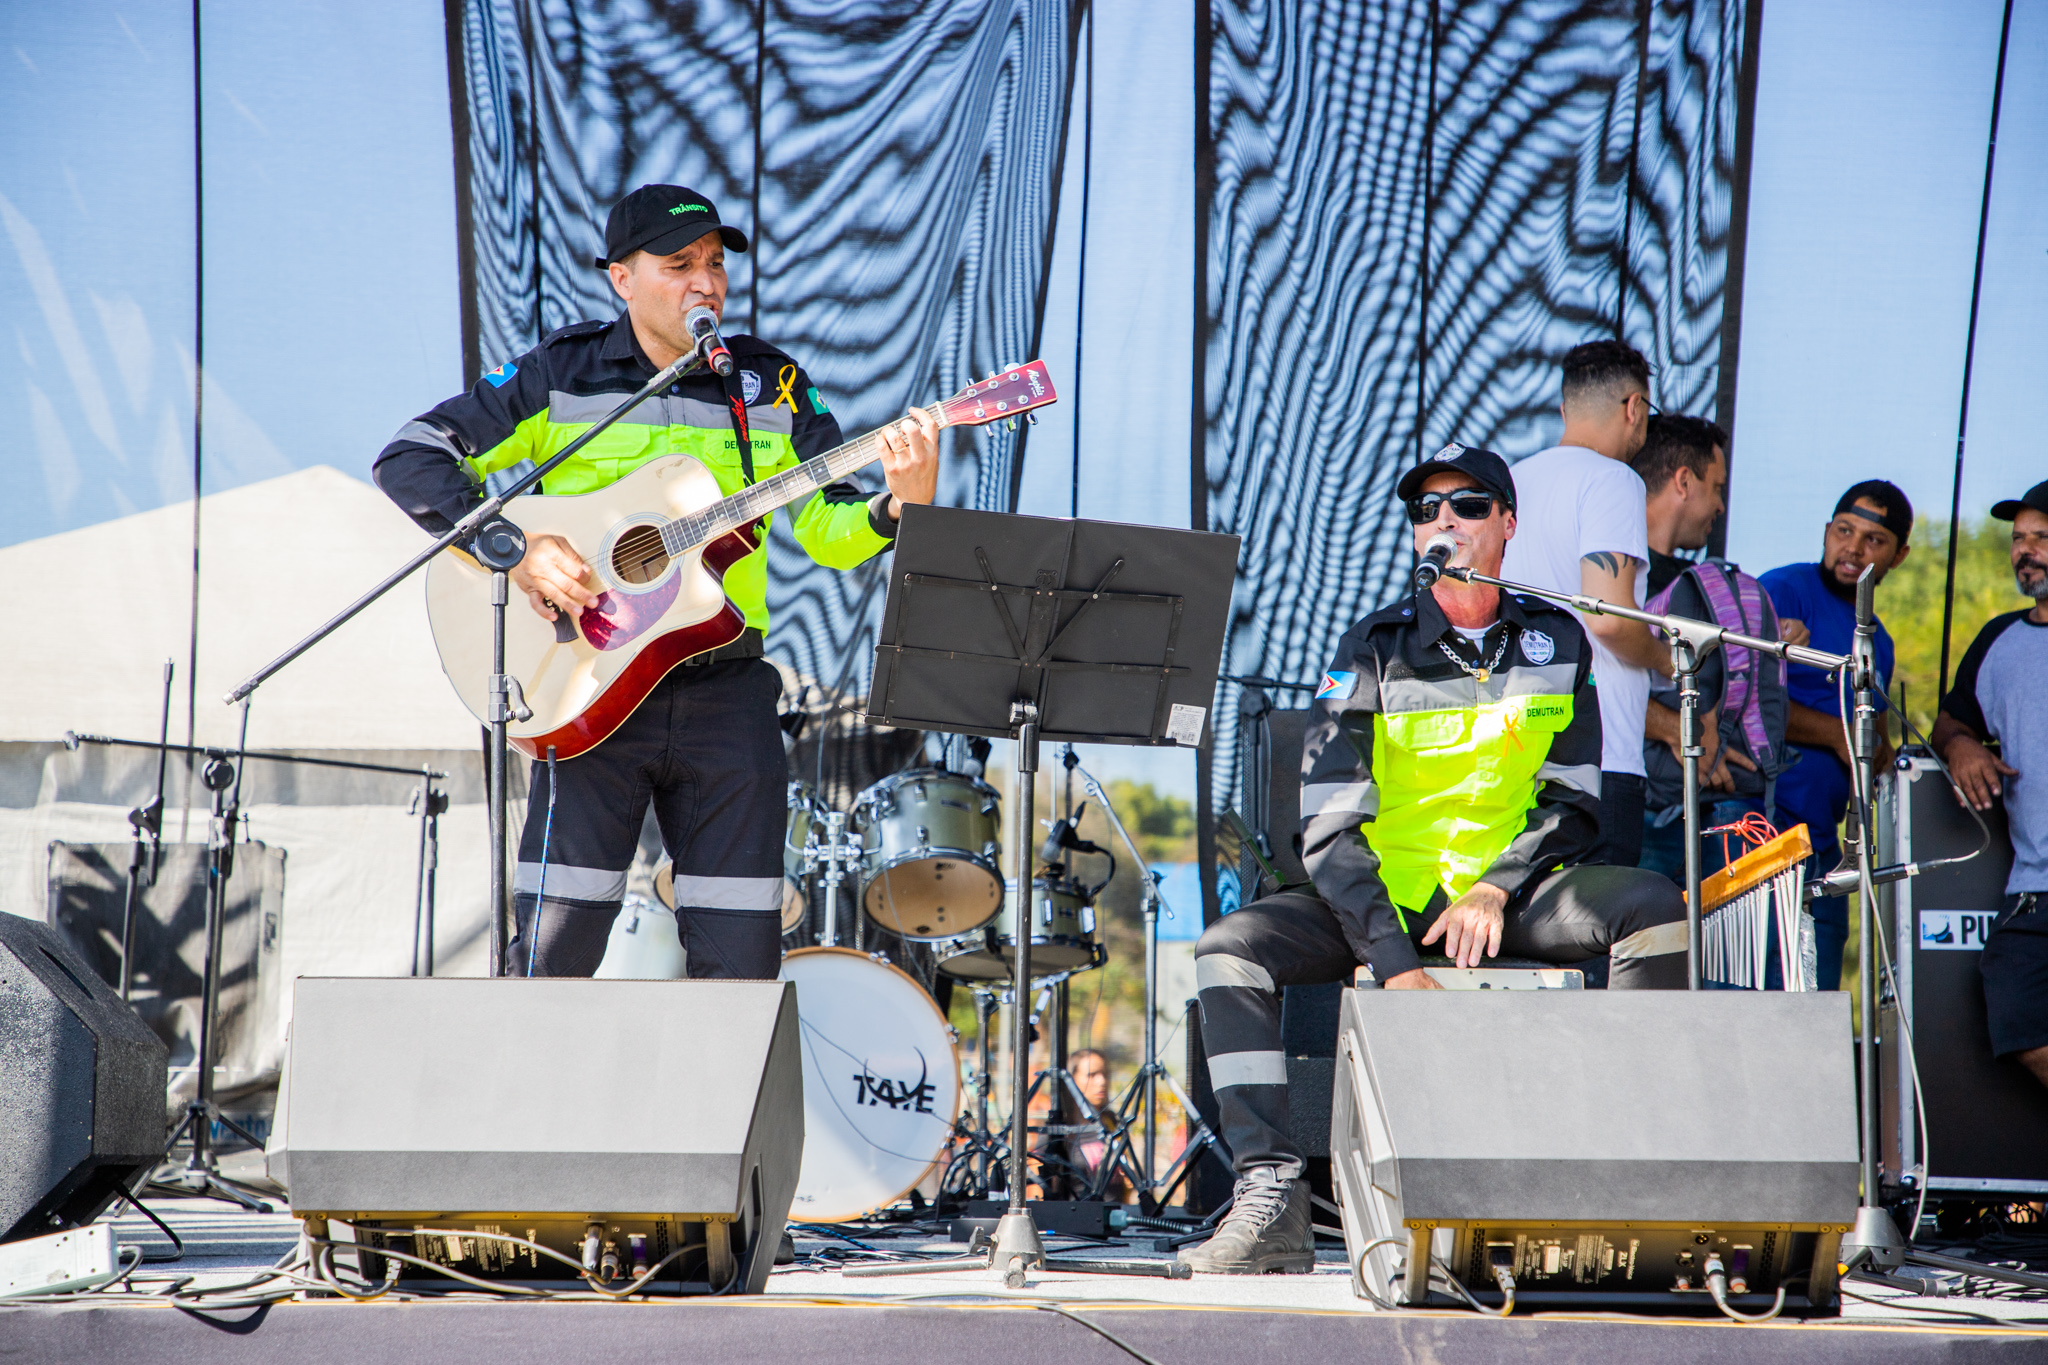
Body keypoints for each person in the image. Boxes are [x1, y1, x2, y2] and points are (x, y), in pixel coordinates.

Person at [373, 185, 939, 980]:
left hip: (729, 695)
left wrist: (896, 505)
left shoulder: (770, 387)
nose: (706, 281)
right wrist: (517, 548)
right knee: (550, 955)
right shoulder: (560, 374)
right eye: (680, 264)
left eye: (715, 263)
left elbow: (831, 531)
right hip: (588, 690)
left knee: (742, 959)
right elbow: (413, 456)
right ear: (621, 279)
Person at [1178, 445, 1687, 1276]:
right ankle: (1270, 1195)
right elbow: (1328, 825)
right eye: (1426, 509)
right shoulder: (1372, 645)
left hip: (1505, 894)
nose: (1442, 520)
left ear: (1509, 525)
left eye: (1468, 504)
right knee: (1227, 950)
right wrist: (1390, 957)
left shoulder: (1558, 638)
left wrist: (1495, 883)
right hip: (1382, 901)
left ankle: (1623, 1177)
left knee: (1654, 906)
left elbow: (1576, 802)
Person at [1500, 340, 1673, 868]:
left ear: (1564, 409)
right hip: (1597, 754)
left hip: (1509, 752)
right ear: (1635, 408)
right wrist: (1671, 661)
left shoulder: (1507, 483)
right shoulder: (1613, 480)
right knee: (1596, 938)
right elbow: (1608, 618)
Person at [1759, 481, 1911, 990]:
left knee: (1817, 1001)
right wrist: (1835, 734)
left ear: (1899, 556)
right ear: (1826, 532)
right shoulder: (1783, 589)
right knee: (1752, 998)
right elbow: (1744, 704)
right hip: (1766, 836)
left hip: (1832, 850)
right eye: (1844, 531)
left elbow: (1875, 742)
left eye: (1874, 540)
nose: (1854, 548)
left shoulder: (1880, 640)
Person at [1630, 416, 1790, 888]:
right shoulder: (1610, 580)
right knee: (1640, 954)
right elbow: (1587, 687)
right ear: (1684, 481)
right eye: (1716, 487)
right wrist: (1690, 738)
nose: (1720, 505)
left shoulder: (1712, 589)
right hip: (1638, 806)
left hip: (1721, 804)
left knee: (1727, 959)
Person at [1930, 480, 2048, 1091]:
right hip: (2032, 885)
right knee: (2018, 1015)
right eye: (2019, 539)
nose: (2026, 551)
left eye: (2042, 538)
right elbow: (1950, 718)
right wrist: (1960, 744)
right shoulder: (1999, 639)